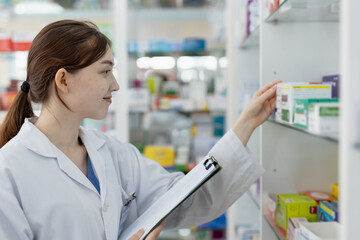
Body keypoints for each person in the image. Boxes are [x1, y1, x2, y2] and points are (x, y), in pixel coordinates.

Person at [0, 19, 280, 240]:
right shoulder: (9, 171)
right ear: (64, 80)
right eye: (105, 71)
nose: (116, 85)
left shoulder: (111, 153)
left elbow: (187, 199)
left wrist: (246, 124)